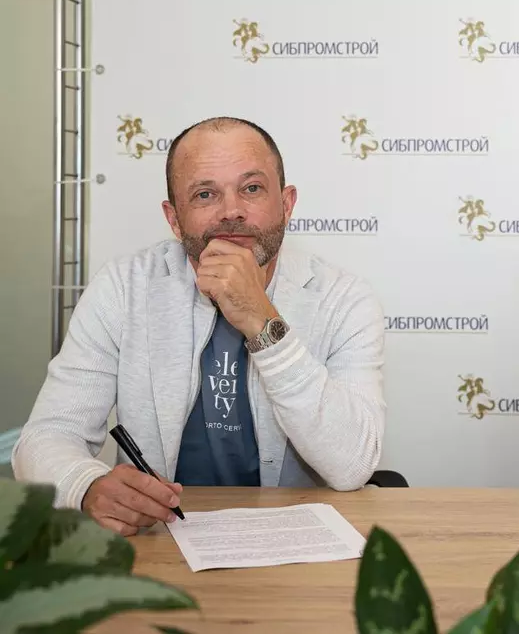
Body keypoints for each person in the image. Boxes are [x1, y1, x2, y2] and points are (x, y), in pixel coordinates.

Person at [14, 117, 386, 535]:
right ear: (174, 219)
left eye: (252, 188)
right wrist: (85, 485)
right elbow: (45, 437)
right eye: (205, 194)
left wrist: (262, 320)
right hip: (161, 540)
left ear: (287, 204)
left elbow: (352, 465)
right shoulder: (123, 286)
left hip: (299, 544)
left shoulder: (343, 298)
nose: (231, 211)